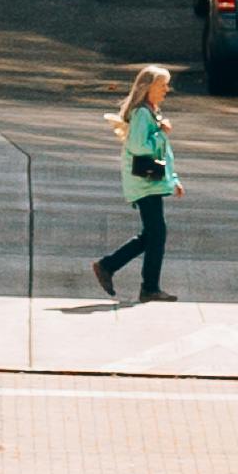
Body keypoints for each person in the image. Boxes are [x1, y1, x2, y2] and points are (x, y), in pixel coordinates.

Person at [94, 70, 180, 301]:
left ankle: (110, 267)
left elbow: (163, 154)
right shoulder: (143, 114)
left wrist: (174, 179)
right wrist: (162, 133)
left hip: (151, 180)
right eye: (162, 85)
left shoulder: (151, 112)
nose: (166, 90)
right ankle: (146, 286)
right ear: (147, 87)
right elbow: (140, 146)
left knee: (153, 235)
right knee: (156, 234)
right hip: (144, 182)